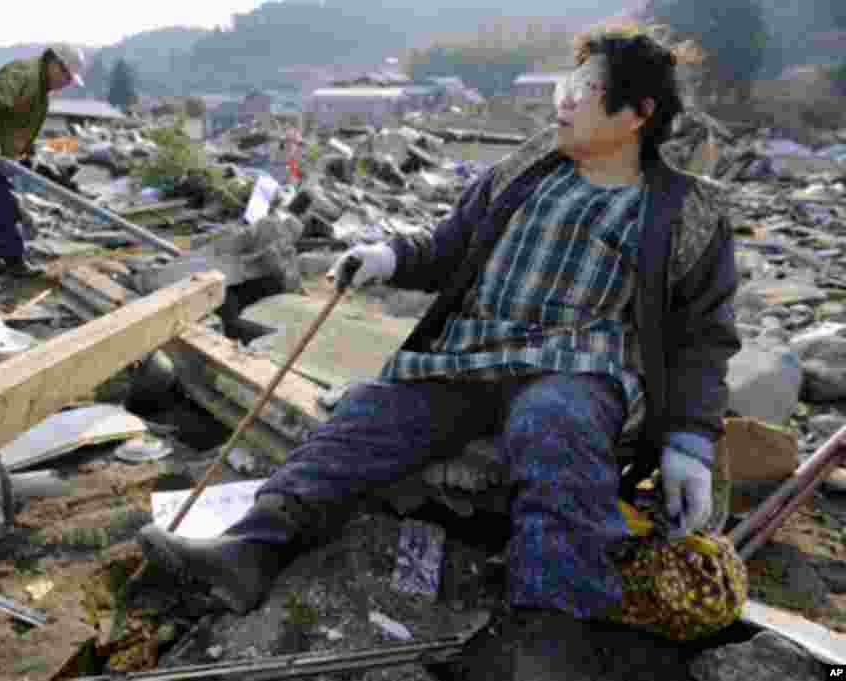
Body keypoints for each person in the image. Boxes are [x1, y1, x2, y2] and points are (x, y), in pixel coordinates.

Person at [137, 27, 740, 680]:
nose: (562, 103)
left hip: (580, 369)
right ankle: (252, 548)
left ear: (638, 114)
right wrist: (389, 256)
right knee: (371, 413)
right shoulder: (526, 170)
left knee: (554, 428)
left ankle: (550, 633)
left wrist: (689, 444)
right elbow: (451, 243)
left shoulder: (686, 213)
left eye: (584, 92)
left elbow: (703, 338)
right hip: (472, 354)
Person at [0, 44, 86, 290]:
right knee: (1, 206)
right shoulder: (24, 75)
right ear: (53, 63)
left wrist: (26, 153)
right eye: (66, 75)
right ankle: (15, 265)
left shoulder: (40, 88)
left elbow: (21, 124)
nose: (67, 82)